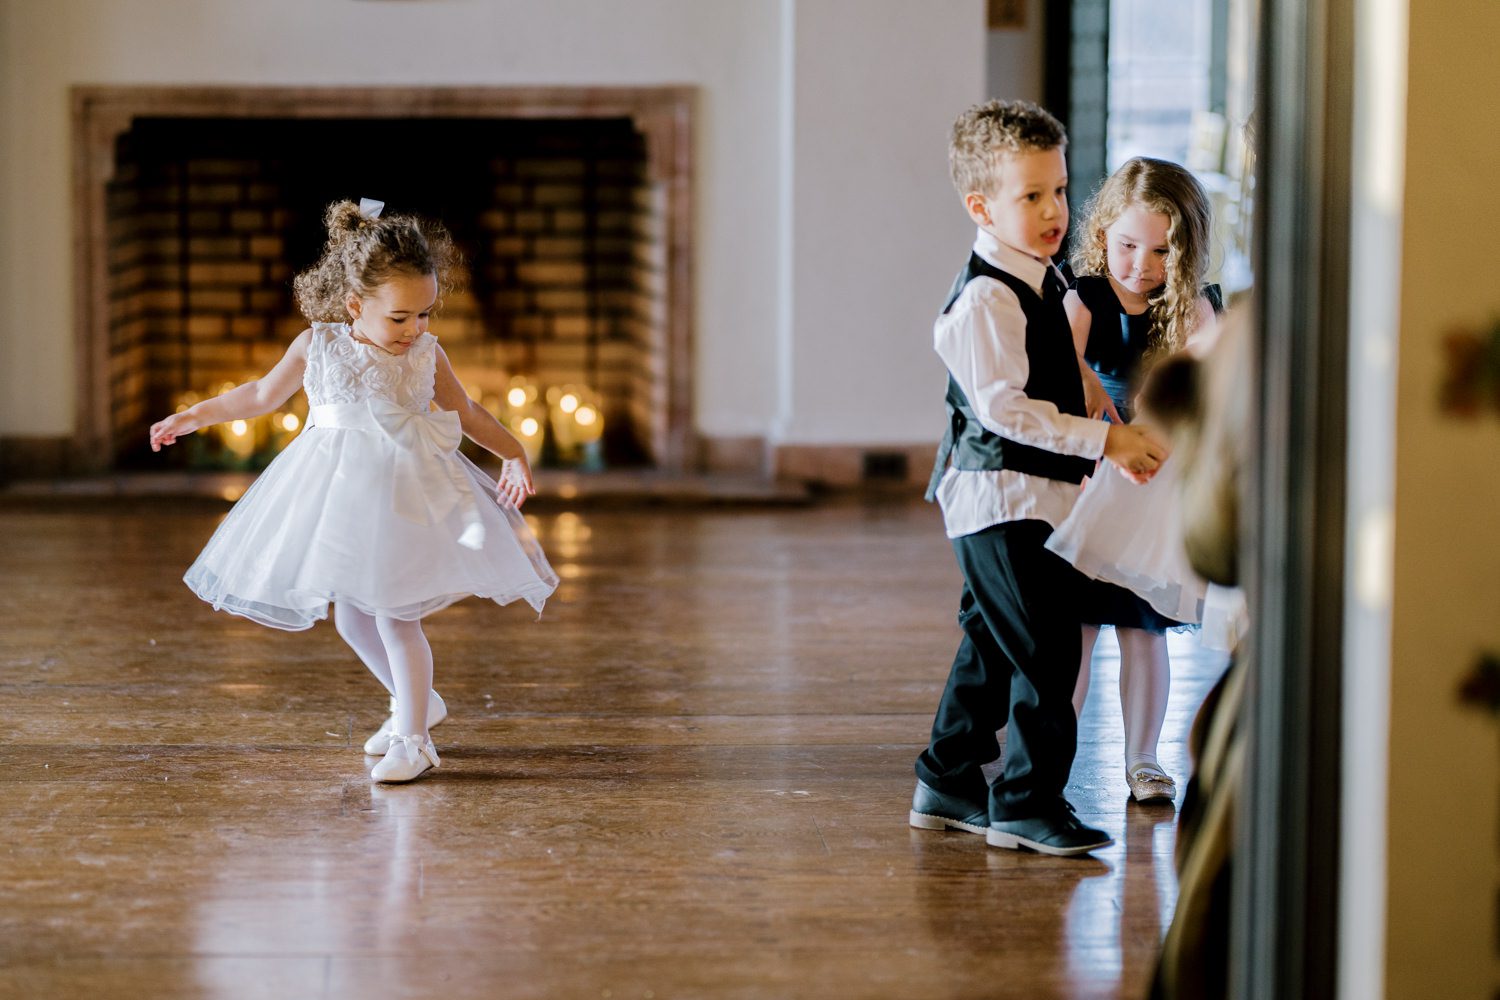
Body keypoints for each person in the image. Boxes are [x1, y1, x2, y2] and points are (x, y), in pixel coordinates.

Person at [149, 198, 558, 784]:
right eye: (400, 318)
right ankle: (417, 702)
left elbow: (466, 412)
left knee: (395, 616)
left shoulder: (426, 353)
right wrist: (195, 415)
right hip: (336, 494)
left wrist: (513, 452)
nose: (415, 328)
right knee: (349, 618)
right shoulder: (317, 346)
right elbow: (260, 396)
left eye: (425, 313)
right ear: (354, 305)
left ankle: (414, 738)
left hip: (403, 497)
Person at [909, 101, 1168, 856]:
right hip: (998, 495)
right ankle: (1024, 801)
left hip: (1029, 493)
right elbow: (1007, 413)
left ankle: (948, 779)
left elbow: (1065, 367)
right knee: (1048, 649)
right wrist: (1106, 444)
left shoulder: (1041, 277)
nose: (1055, 210)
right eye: (1032, 197)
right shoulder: (985, 299)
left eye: (1059, 190)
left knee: (992, 642)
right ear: (980, 206)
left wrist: (1110, 415)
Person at [1044, 157, 1219, 803]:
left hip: (1158, 486)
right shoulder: (1084, 298)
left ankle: (1144, 758)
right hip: (1094, 481)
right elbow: (1057, 380)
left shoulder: (1195, 309)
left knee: (1145, 630)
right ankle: (1049, 759)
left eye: (1160, 251)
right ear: (1103, 236)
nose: (1141, 264)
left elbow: (1209, 389)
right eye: (1127, 245)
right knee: (1076, 637)